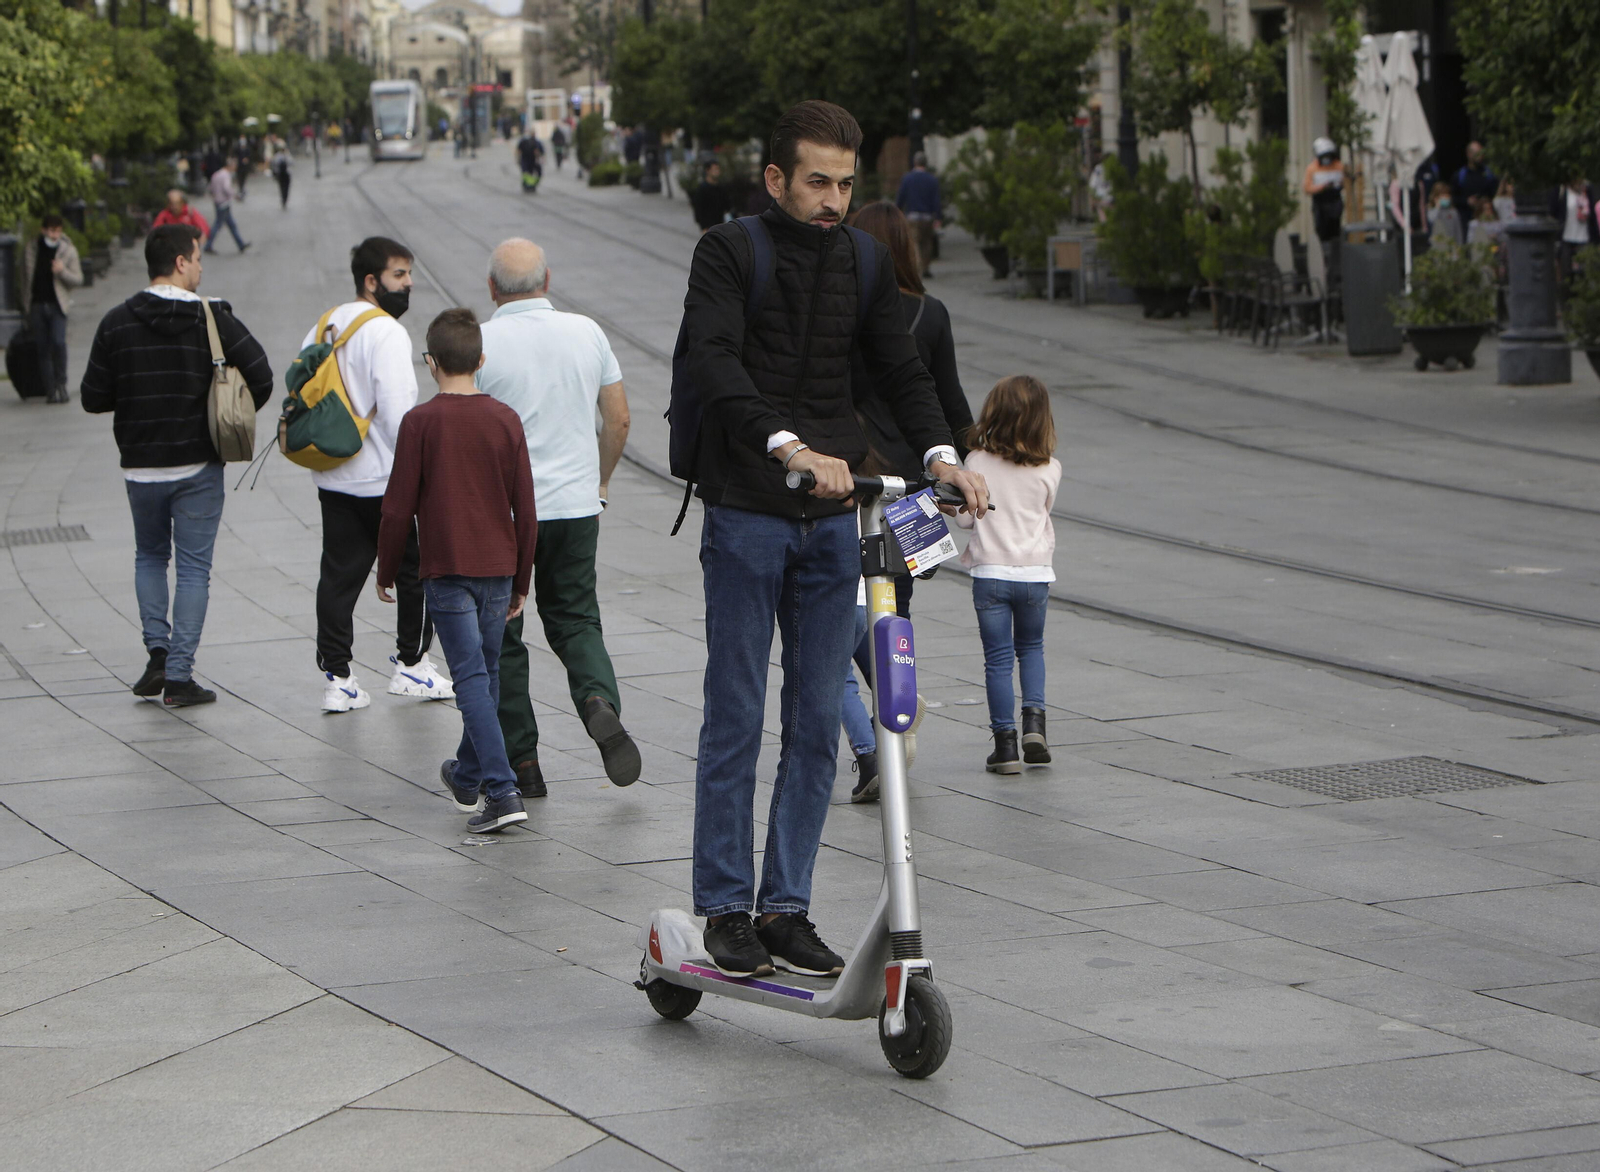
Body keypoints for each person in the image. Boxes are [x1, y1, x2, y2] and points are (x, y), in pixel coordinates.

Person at [681, 100, 987, 979]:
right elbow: (715, 361)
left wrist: (943, 458)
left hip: (831, 521)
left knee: (816, 719)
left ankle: (785, 908)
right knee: (736, 712)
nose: (834, 200)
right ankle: (725, 907)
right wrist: (790, 447)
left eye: (847, 184)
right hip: (747, 505)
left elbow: (899, 366)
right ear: (775, 179)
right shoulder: (729, 250)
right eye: (818, 181)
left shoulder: (861, 254)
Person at [79, 224, 273, 707]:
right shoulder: (213, 319)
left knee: (149, 557)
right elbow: (263, 377)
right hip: (197, 467)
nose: (202, 268)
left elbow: (92, 397)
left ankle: (157, 653)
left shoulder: (116, 322)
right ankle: (179, 678)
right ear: (181, 262)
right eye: (198, 258)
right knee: (192, 571)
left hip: (140, 469)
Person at [477, 238, 640, 798]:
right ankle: (598, 701)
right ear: (547, 281)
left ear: (493, 288)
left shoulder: (480, 343)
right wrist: (598, 482)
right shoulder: (587, 332)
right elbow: (618, 420)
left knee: (502, 634)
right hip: (574, 506)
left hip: (505, 514)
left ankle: (523, 763)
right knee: (575, 619)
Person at [377, 309, 537, 834]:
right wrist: (521, 580)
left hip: (447, 569)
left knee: (469, 677)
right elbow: (526, 508)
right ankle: (466, 775)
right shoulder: (505, 419)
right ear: (481, 360)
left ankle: (501, 786)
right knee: (484, 675)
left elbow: (398, 507)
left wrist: (387, 566)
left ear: (431, 362)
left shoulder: (420, 422)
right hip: (497, 567)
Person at [839, 200, 974, 803]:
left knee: (840, 606)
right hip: (915, 492)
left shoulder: (842, 315)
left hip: (852, 482)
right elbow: (951, 406)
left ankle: (890, 715)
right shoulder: (932, 314)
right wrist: (957, 468)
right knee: (896, 605)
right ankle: (897, 702)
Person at [303, 237, 449, 713]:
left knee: (338, 575)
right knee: (416, 570)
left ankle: (338, 679)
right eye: (399, 275)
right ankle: (411, 664)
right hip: (385, 479)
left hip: (333, 474)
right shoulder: (386, 331)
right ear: (372, 281)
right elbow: (399, 413)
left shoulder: (324, 324)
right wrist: (421, 472)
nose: (408, 284)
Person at [953, 375, 1060, 775]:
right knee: (1032, 649)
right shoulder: (1051, 468)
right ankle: (1036, 723)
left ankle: (1006, 747)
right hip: (1035, 573)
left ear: (993, 413)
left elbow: (970, 518)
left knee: (997, 660)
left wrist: (954, 510)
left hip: (991, 573)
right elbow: (1039, 512)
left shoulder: (977, 462)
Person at [19, 215, 83, 404]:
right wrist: (26, 304)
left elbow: (78, 279)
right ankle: (50, 389)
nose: (55, 235)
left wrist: (62, 271)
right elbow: (24, 277)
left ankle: (61, 384)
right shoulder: (32, 249)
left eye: (58, 230)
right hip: (37, 304)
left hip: (58, 306)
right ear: (44, 230)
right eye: (52, 230)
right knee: (43, 349)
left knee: (58, 342)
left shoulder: (68, 250)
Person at [1303, 137, 1345, 283]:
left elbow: (1344, 182)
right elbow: (1307, 188)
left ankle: (1336, 264)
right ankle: (1324, 261)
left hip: (1334, 203)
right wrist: (1321, 187)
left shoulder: (1339, 166)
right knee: (1322, 232)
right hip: (1321, 204)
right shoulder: (1312, 168)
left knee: (1335, 233)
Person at [894, 151, 941, 278]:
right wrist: (938, 217)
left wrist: (897, 211)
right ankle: (926, 267)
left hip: (913, 216)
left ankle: (917, 267)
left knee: (914, 243)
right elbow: (936, 200)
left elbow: (901, 197)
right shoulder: (932, 179)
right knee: (927, 243)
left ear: (914, 162)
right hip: (927, 217)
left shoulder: (908, 178)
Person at [1551, 178, 1599, 282]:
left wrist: (1596, 239)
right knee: (1566, 273)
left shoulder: (1587, 190)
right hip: (1566, 237)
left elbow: (1593, 216)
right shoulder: (1562, 191)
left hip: (1584, 237)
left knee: (1585, 272)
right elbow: (1554, 212)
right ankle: (1566, 295)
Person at [204, 159, 250, 255]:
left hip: (217, 202)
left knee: (231, 224)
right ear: (230, 166)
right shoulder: (225, 175)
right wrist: (235, 195)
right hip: (224, 203)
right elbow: (226, 188)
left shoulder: (216, 174)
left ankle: (241, 244)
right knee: (218, 225)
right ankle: (208, 245)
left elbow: (210, 188)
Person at [1454, 142, 1498, 221]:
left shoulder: (1489, 174)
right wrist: (1466, 201)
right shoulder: (1460, 175)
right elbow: (1453, 197)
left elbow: (1495, 194)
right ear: (1469, 154)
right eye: (1477, 153)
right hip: (1465, 217)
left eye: (1481, 153)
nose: (1480, 156)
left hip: (1485, 218)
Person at [689, 160, 732, 232]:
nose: (717, 172)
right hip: (708, 227)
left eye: (718, 169)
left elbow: (727, 206)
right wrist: (703, 227)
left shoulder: (721, 188)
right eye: (714, 169)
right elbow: (698, 209)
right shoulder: (702, 189)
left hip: (721, 225)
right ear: (708, 171)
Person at [1428, 182, 1465, 247]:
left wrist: (1459, 246)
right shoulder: (1431, 210)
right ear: (1436, 197)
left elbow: (1458, 231)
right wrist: (1437, 207)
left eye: (1447, 195)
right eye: (1443, 195)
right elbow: (1432, 220)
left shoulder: (1453, 211)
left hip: (1452, 246)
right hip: (1437, 247)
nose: (1446, 197)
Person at [271, 144, 293, 209]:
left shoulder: (278, 156)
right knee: (285, 188)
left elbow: (274, 165)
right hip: (283, 174)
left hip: (282, 174)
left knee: (283, 187)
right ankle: (284, 199)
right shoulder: (285, 156)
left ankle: (284, 199)